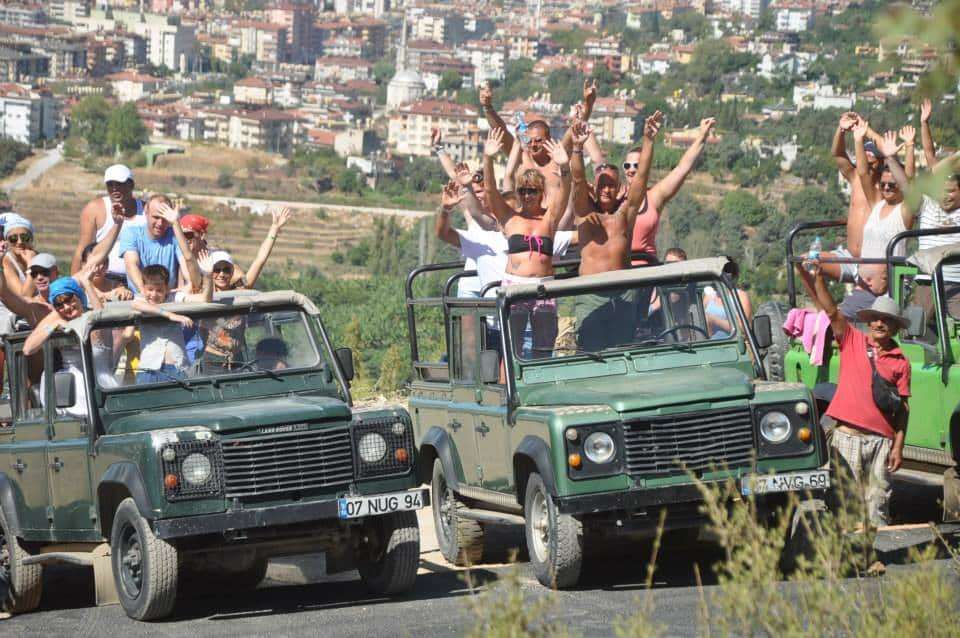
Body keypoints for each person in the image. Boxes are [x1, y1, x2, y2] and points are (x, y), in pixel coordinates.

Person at [797, 258, 910, 527]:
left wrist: (898, 445)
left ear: (895, 327)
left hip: (881, 442)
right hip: (848, 438)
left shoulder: (901, 361)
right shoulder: (852, 340)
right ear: (868, 322)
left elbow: (903, 407)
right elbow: (832, 312)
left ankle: (872, 559)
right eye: (876, 319)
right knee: (845, 503)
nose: (880, 324)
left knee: (878, 504)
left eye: (887, 320)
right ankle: (847, 561)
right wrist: (820, 278)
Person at [482, 126, 571, 358]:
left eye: (532, 190)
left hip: (544, 287)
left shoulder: (550, 217)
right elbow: (490, 191)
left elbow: (566, 190)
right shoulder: (510, 217)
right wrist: (488, 159)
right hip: (515, 286)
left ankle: (539, 391)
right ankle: (508, 393)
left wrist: (564, 166)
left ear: (541, 192)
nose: (527, 195)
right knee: (512, 350)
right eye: (523, 190)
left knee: (543, 347)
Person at [480, 80, 594, 202]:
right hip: (526, 219)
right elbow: (501, 132)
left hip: (554, 218)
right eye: (530, 140)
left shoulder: (558, 159)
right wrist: (487, 107)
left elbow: (574, 131)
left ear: (549, 140)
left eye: (539, 140)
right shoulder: (522, 159)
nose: (533, 145)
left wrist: (589, 103)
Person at [627, 117, 716, 264]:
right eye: (627, 166)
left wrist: (702, 135)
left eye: (637, 166)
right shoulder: (613, 195)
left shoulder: (653, 197)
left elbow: (681, 169)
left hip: (643, 274)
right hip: (615, 274)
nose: (631, 170)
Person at [23, 271, 104, 418]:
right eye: (59, 304)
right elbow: (28, 349)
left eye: (69, 300)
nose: (66, 307)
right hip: (69, 387)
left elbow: (100, 320)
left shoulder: (90, 316)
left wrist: (87, 283)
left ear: (79, 297)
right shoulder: (56, 318)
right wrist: (52, 326)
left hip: (99, 380)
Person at [124, 264, 212, 384]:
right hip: (149, 369)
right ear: (143, 288)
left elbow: (205, 299)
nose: (154, 294)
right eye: (150, 289)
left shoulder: (174, 297)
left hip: (177, 368)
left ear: (167, 288)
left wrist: (208, 276)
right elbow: (136, 304)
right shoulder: (141, 300)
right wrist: (170, 315)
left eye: (159, 290)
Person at [72, 164, 146, 279]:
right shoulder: (94, 209)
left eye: (119, 184)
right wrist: (73, 287)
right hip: (102, 280)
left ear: (131, 185)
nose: (114, 188)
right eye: (110, 184)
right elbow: (82, 251)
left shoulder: (147, 211)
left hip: (139, 279)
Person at [118, 195, 200, 295]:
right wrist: (145, 292)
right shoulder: (131, 233)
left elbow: (188, 266)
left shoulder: (175, 235)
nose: (160, 223)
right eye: (156, 217)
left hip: (167, 298)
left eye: (165, 218)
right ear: (146, 212)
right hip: (141, 297)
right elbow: (131, 265)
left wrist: (175, 223)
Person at [197, 206, 292, 292]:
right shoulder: (204, 292)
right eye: (217, 270)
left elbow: (260, 260)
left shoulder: (240, 289)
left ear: (232, 272)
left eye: (226, 270)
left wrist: (274, 229)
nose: (221, 274)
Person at [830, 112, 885, 260]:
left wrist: (866, 130)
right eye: (863, 153)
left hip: (873, 258)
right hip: (849, 255)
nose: (865, 157)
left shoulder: (886, 186)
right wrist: (841, 130)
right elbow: (837, 154)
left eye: (870, 155)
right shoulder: (854, 177)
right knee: (810, 262)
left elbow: (888, 150)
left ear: (880, 161)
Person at [2, 214, 37, 298]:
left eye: (24, 237)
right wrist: (31, 265)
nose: (20, 242)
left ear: (31, 240)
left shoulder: (38, 257)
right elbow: (25, 297)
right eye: (13, 238)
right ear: (7, 241)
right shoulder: (6, 262)